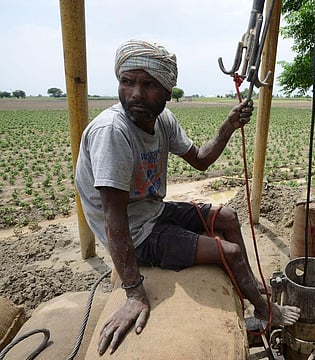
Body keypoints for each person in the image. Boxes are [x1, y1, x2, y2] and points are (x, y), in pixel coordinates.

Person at [75, 39, 301, 356]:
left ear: (168, 92)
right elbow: (115, 222)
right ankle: (264, 308)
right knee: (230, 252)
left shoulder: (163, 121)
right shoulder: (113, 132)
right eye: (127, 82)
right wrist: (134, 293)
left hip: (152, 211)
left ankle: (247, 281)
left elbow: (201, 160)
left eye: (148, 84)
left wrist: (229, 126)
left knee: (228, 217)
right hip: (138, 233)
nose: (136, 93)